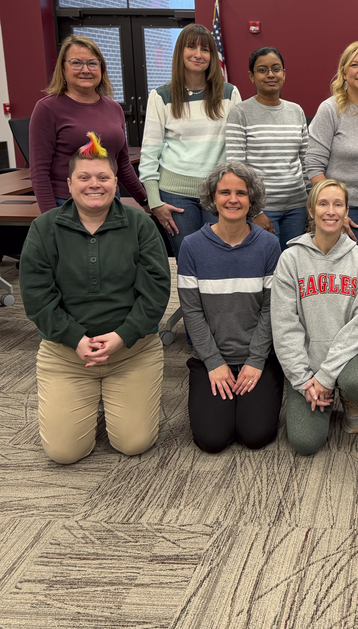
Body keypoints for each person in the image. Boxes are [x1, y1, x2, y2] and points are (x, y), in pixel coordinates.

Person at [19, 133, 170, 465]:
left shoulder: (140, 225)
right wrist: (75, 339)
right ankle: (91, 398)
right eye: (84, 177)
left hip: (133, 351)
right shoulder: (44, 229)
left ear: (116, 183)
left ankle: (110, 399)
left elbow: (156, 290)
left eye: (103, 177)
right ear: (69, 183)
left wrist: (122, 336)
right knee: (64, 453)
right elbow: (36, 297)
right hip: (65, 356)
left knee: (134, 443)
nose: (94, 184)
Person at [177, 162, 283, 453]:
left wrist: (256, 360)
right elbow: (192, 312)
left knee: (255, 436)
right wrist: (214, 362)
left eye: (241, 193)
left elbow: (271, 310)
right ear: (213, 198)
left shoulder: (269, 245)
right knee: (211, 440)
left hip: (256, 358)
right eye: (224, 192)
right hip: (211, 359)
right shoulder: (192, 246)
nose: (233, 199)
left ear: (252, 200)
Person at [271, 179, 358, 455]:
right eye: (323, 204)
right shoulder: (290, 259)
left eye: (337, 205)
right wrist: (304, 379)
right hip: (307, 362)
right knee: (305, 442)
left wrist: (326, 377)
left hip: (348, 357)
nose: (330, 211)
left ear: (346, 213)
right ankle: (315, 393)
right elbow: (285, 325)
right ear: (311, 210)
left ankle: (348, 396)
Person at [139, 23, 241, 257]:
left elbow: (236, 149)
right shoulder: (161, 96)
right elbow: (150, 152)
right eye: (191, 47)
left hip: (219, 191)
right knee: (189, 259)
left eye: (205, 49)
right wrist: (154, 201)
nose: (198, 54)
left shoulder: (229, 93)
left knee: (220, 256)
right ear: (180, 52)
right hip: (175, 193)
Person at [30, 34, 147, 212]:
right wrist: (51, 220)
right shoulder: (47, 108)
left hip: (109, 201)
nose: (86, 70)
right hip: (68, 204)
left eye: (92, 63)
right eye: (76, 63)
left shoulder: (114, 108)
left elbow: (122, 164)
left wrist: (146, 201)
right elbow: (39, 172)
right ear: (63, 68)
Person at [305, 41, 358, 251]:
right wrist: (336, 212)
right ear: (344, 72)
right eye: (355, 65)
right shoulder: (330, 109)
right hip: (347, 213)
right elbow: (313, 166)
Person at [225, 46, 309, 251]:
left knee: (293, 265)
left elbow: (306, 161)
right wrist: (253, 212)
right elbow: (236, 168)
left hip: (297, 207)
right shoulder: (240, 112)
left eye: (276, 69)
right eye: (262, 70)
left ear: (284, 74)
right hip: (263, 209)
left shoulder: (296, 111)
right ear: (252, 77)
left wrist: (311, 203)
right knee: (267, 266)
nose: (270, 74)